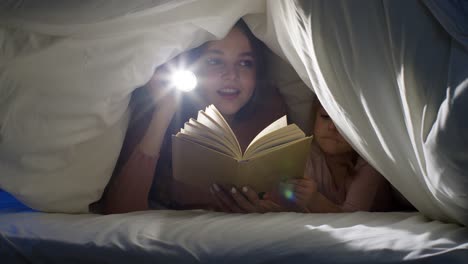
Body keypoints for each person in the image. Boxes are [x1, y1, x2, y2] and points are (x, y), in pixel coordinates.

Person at [101, 20, 287, 214]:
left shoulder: (270, 109)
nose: (232, 75)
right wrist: (164, 111)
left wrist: (265, 210)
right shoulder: (158, 113)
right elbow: (120, 211)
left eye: (245, 63)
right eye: (215, 61)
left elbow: (286, 199)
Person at [211, 100, 394, 213]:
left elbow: (354, 216)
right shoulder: (306, 155)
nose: (332, 127)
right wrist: (262, 206)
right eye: (325, 116)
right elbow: (293, 208)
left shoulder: (368, 163)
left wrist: (314, 199)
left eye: (343, 122)